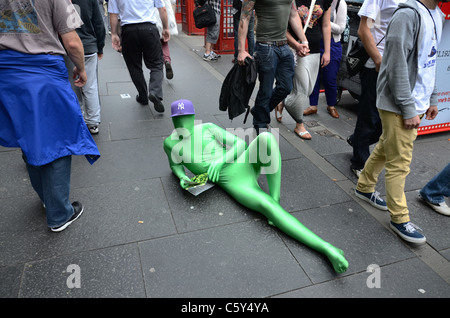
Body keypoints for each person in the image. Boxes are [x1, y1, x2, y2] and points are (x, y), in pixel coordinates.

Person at [163, 99, 349, 273]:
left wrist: (220, 162)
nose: (183, 123)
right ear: (173, 121)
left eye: (186, 118)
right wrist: (181, 178)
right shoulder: (170, 143)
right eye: (178, 119)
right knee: (265, 205)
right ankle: (326, 247)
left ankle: (276, 198)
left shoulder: (208, 128)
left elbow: (239, 144)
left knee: (266, 139)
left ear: (193, 117)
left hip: (239, 161)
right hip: (232, 180)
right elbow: (176, 167)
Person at [0, 0, 101, 232]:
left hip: (6, 75)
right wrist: (81, 68)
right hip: (42, 72)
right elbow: (72, 41)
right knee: (59, 138)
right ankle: (59, 214)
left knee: (29, 136)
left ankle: (47, 197)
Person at [355, 0, 444, 244]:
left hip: (414, 102)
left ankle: (364, 187)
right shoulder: (407, 15)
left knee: (386, 148)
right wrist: (407, 108)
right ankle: (400, 218)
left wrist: (432, 98)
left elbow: (429, 61)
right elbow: (395, 65)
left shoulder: (435, 14)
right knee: (400, 163)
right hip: (400, 104)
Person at [346, 0, 407, 178]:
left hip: (398, 67)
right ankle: (359, 162)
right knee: (369, 115)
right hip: (375, 66)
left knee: (387, 121)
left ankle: (358, 141)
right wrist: (378, 60)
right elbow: (364, 30)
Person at [237, 0, 309, 134]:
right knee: (266, 91)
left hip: (284, 47)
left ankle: (259, 111)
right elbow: (245, 17)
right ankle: (261, 127)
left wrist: (303, 41)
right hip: (266, 47)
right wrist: (241, 50)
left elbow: (293, 15)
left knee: (286, 87)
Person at [275, 0, 332, 140]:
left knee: (309, 89)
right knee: (302, 87)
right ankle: (299, 123)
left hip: (315, 50)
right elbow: (281, 27)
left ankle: (281, 99)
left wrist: (327, 51)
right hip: (296, 49)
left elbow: (326, 25)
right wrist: (296, 45)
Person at [108, 0, 170, 112]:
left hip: (128, 31)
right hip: (149, 29)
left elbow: (113, 14)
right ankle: (154, 91)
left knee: (134, 67)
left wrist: (114, 34)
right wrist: (166, 28)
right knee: (156, 64)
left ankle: (143, 96)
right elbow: (163, 9)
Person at [67, 0, 106, 135]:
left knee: (72, 85)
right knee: (90, 85)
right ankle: (93, 122)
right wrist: (100, 46)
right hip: (88, 46)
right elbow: (98, 23)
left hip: (66, 47)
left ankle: (76, 118)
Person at [308, 0, 347, 120]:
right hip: (316, 41)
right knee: (314, 76)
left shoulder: (340, 3)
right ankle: (313, 105)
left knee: (330, 78)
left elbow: (340, 28)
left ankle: (331, 105)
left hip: (332, 44)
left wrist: (323, 21)